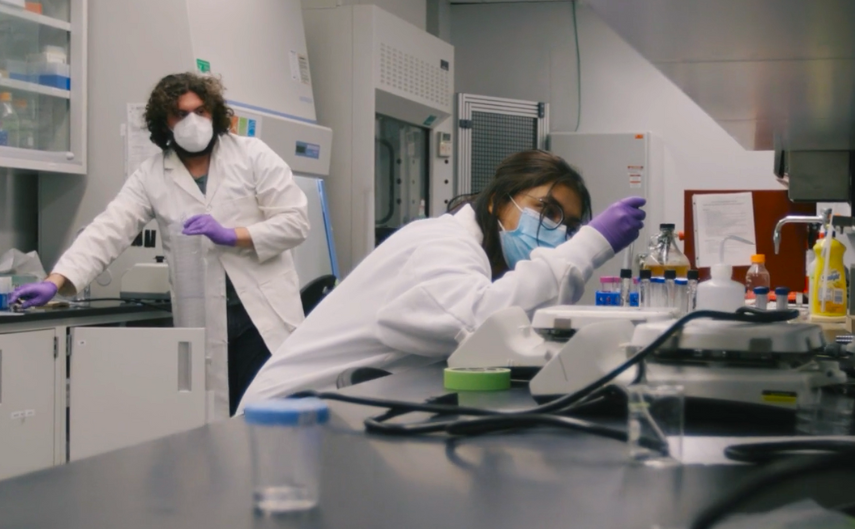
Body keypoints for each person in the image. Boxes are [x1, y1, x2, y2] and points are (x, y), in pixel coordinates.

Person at [238, 150, 645, 410]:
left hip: (332, 413)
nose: (558, 231)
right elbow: (474, 323)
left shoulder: (476, 259)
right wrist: (590, 244)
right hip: (283, 419)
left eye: (570, 226)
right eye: (548, 210)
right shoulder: (440, 242)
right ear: (497, 200)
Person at [12, 73, 310, 418]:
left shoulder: (252, 155)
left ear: (214, 112)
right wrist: (56, 280)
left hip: (262, 318)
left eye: (200, 111)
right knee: (216, 427)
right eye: (181, 114)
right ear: (164, 122)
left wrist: (234, 235)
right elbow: (108, 230)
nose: (193, 121)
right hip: (205, 322)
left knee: (267, 423)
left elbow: (296, 222)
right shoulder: (151, 175)